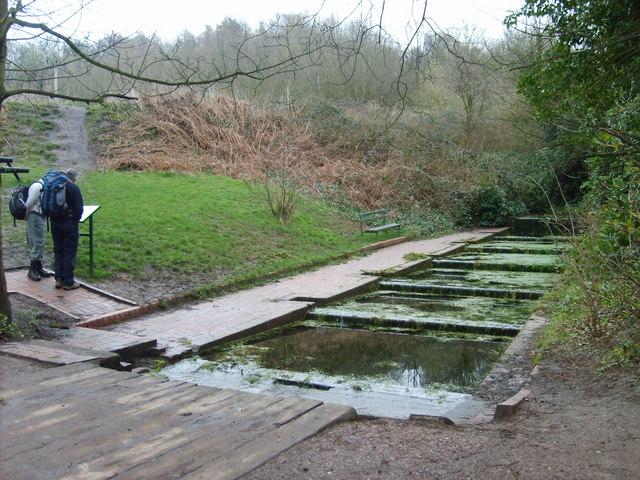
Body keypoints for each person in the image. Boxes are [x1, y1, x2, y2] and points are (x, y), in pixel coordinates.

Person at [50, 168, 84, 290]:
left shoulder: (54, 186)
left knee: (58, 251)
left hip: (54, 222)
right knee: (69, 252)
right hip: (69, 224)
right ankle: (69, 281)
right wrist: (75, 220)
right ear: (74, 178)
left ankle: (58, 279)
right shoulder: (73, 188)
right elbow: (79, 208)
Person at [24, 178, 53, 281]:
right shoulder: (37, 187)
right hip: (35, 216)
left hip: (41, 216)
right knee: (37, 242)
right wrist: (26, 217)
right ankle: (32, 269)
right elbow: (29, 203)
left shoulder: (43, 187)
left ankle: (38, 267)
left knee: (41, 241)